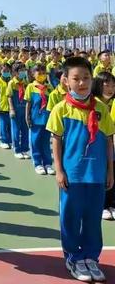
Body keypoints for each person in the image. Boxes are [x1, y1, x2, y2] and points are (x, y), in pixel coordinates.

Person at [47, 57, 115, 282]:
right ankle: (73, 257)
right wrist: (59, 170)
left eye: (86, 78)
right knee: (71, 217)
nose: (82, 83)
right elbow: (56, 140)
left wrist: (110, 170)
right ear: (66, 81)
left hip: (96, 174)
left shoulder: (101, 108)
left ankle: (90, 258)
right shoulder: (61, 109)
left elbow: (107, 140)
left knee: (93, 218)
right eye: (76, 78)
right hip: (72, 175)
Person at [91, 71, 115, 221]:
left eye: (113, 85)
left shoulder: (112, 103)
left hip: (111, 144)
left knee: (112, 173)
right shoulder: (92, 103)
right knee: (99, 174)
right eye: (107, 85)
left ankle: (111, 203)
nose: (111, 89)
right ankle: (102, 205)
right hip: (96, 145)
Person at [24, 64, 54, 175]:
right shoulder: (30, 87)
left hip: (47, 119)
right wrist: (27, 117)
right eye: (39, 72)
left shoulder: (49, 87)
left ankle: (47, 163)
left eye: (43, 72)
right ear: (33, 74)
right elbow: (28, 103)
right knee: (35, 141)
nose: (42, 74)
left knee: (46, 142)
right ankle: (38, 164)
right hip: (35, 119)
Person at [7, 62, 30, 159]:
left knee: (25, 129)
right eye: (21, 71)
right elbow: (9, 97)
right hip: (16, 109)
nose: (23, 72)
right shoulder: (12, 83)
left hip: (24, 109)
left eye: (24, 70)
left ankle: (24, 149)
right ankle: (17, 149)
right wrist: (12, 109)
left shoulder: (26, 82)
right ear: (15, 73)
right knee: (16, 130)